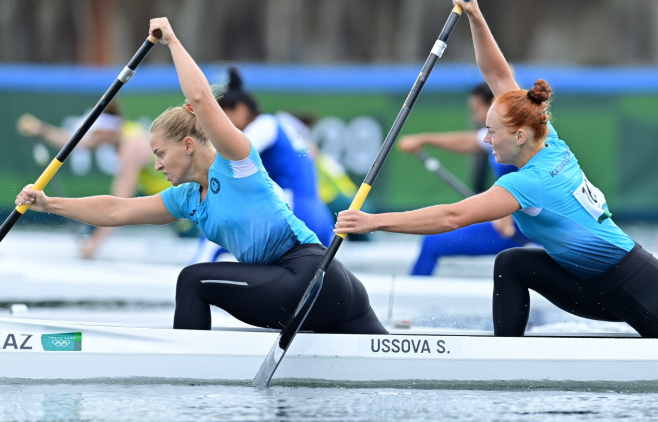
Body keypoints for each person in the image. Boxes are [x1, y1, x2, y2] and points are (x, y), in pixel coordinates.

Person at [335, 0, 658, 339]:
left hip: (638, 285)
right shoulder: (549, 139)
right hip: (593, 286)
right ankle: (507, 354)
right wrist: (476, 16)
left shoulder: (528, 183)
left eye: (491, 132)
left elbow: (451, 217)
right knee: (513, 263)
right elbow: (498, 75)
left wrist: (372, 222)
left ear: (518, 136)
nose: (485, 139)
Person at [16, 17, 387, 335]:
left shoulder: (237, 162)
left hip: (312, 275)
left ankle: (187, 381)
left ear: (189, 144)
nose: (157, 165)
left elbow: (203, 98)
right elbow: (115, 210)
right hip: (315, 289)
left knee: (193, 280)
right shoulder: (187, 198)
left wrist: (172, 41)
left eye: (161, 154)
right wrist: (49, 204)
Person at [397, 82, 534, 275]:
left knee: (432, 242)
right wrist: (424, 140)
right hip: (520, 222)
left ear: (493, 106)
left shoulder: (516, 139)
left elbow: (529, 179)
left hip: (525, 228)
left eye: (477, 110)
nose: (475, 116)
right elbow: (469, 141)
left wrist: (506, 215)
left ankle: (408, 298)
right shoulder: (502, 133)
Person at [17, 102, 174, 259]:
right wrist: (41, 129)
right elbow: (75, 143)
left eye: (95, 133)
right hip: (165, 201)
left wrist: (93, 246)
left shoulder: (132, 148)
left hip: (177, 204)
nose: (92, 138)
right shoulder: (117, 131)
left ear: (107, 131)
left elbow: (119, 206)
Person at [217, 67, 335, 247]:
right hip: (319, 215)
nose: (221, 126)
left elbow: (231, 159)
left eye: (224, 117)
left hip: (295, 214)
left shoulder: (264, 124)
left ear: (240, 109)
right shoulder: (281, 126)